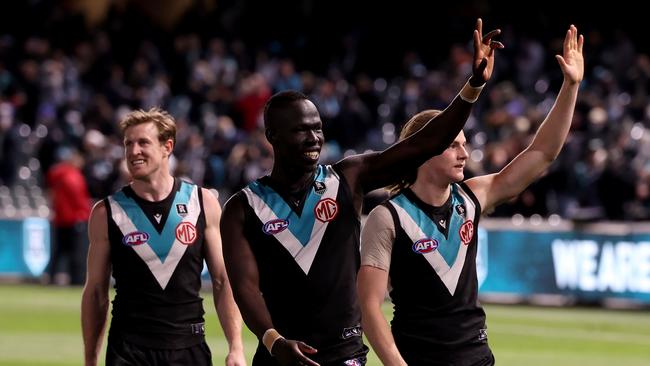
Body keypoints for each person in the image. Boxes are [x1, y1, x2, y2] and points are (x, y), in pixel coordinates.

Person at [220, 19, 503, 366]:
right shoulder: (242, 207)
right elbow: (245, 287)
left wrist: (473, 85)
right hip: (279, 356)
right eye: (300, 131)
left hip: (346, 357)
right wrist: (274, 341)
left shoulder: (349, 177)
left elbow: (425, 142)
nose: (313, 139)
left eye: (317, 129)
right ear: (272, 136)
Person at [357, 25, 583, 366]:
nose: (464, 153)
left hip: (478, 358)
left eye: (465, 143)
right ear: (425, 150)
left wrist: (571, 86)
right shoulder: (387, 217)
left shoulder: (472, 196)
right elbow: (369, 305)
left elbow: (542, 154)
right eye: (452, 145)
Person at [81, 107, 246, 366]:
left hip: (188, 348)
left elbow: (223, 281)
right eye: (128, 144)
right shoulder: (106, 212)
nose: (133, 151)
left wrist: (236, 346)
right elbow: (95, 292)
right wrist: (90, 359)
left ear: (167, 147)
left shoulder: (202, 203)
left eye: (143, 142)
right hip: (128, 350)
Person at [45, 146, 92, 285]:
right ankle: (77, 281)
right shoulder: (73, 177)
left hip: (60, 219)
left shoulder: (56, 174)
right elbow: (79, 201)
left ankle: (51, 278)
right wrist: (87, 214)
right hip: (75, 220)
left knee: (58, 253)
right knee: (77, 254)